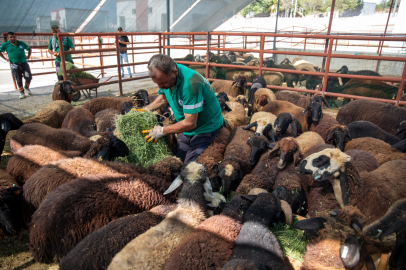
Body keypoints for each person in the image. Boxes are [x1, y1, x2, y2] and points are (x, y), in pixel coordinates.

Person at [142, 54, 223, 165]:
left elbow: (190, 123)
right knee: (178, 161)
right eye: (157, 83)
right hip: (184, 126)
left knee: (189, 167)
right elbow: (163, 96)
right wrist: (146, 109)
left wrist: (162, 131)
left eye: (163, 83)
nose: (161, 86)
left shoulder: (191, 84)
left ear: (174, 72)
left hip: (204, 127)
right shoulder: (168, 78)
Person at [0, 32, 32, 99]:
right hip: (14, 64)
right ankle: (21, 93)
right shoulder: (5, 45)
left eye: (14, 36)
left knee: (28, 76)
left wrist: (28, 56)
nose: (13, 38)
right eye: (11, 37)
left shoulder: (21, 43)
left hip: (24, 63)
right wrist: (5, 58)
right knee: (18, 79)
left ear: (16, 36)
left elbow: (29, 49)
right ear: (8, 38)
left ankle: (26, 87)